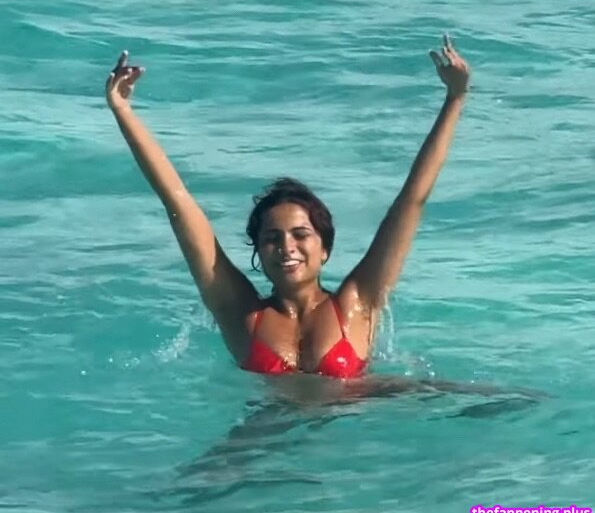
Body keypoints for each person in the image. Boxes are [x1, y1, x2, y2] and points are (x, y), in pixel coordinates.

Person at [105, 34, 470, 380]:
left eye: (300, 234)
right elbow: (177, 201)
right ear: (258, 251)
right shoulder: (241, 315)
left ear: (324, 248)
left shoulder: (358, 302)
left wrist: (454, 99)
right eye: (272, 238)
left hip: (361, 412)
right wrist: (122, 110)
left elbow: (412, 200)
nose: (286, 247)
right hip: (271, 423)